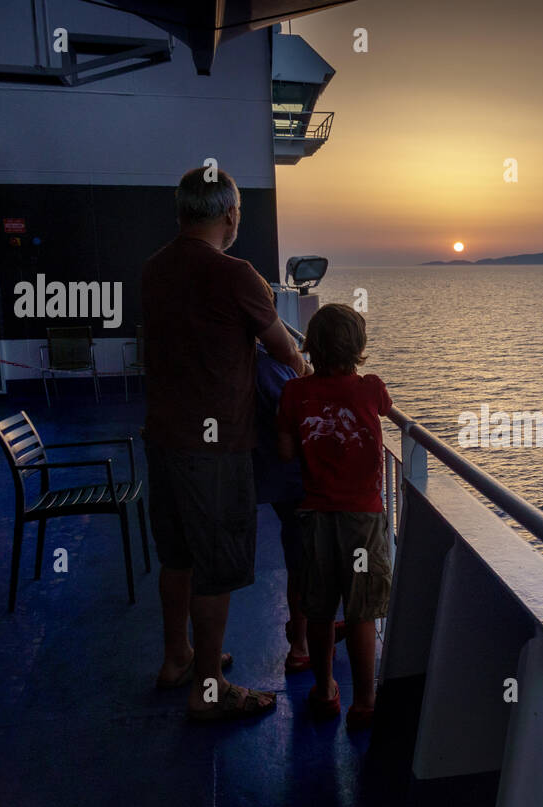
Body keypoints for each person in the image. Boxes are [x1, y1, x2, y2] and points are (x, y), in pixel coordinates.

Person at [143, 165, 310, 721]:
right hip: (214, 448)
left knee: (178, 557)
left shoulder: (154, 270)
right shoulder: (235, 274)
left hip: (163, 439)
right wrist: (308, 375)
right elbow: (283, 348)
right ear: (230, 214)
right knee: (216, 566)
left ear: (182, 212)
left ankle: (177, 659)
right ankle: (208, 688)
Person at [275, 304, 392, 730]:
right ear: (358, 349)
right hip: (362, 519)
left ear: (310, 346)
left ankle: (324, 691)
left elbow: (286, 452)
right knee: (361, 612)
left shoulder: (293, 393)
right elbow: (383, 407)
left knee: (319, 609)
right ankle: (365, 703)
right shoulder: (372, 388)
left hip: (315, 518)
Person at [252, 338, 312, 672]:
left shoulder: (254, 363)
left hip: (276, 481)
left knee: (300, 556)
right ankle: (302, 644)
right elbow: (298, 412)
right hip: (292, 482)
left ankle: (304, 630)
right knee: (304, 562)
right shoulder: (266, 368)